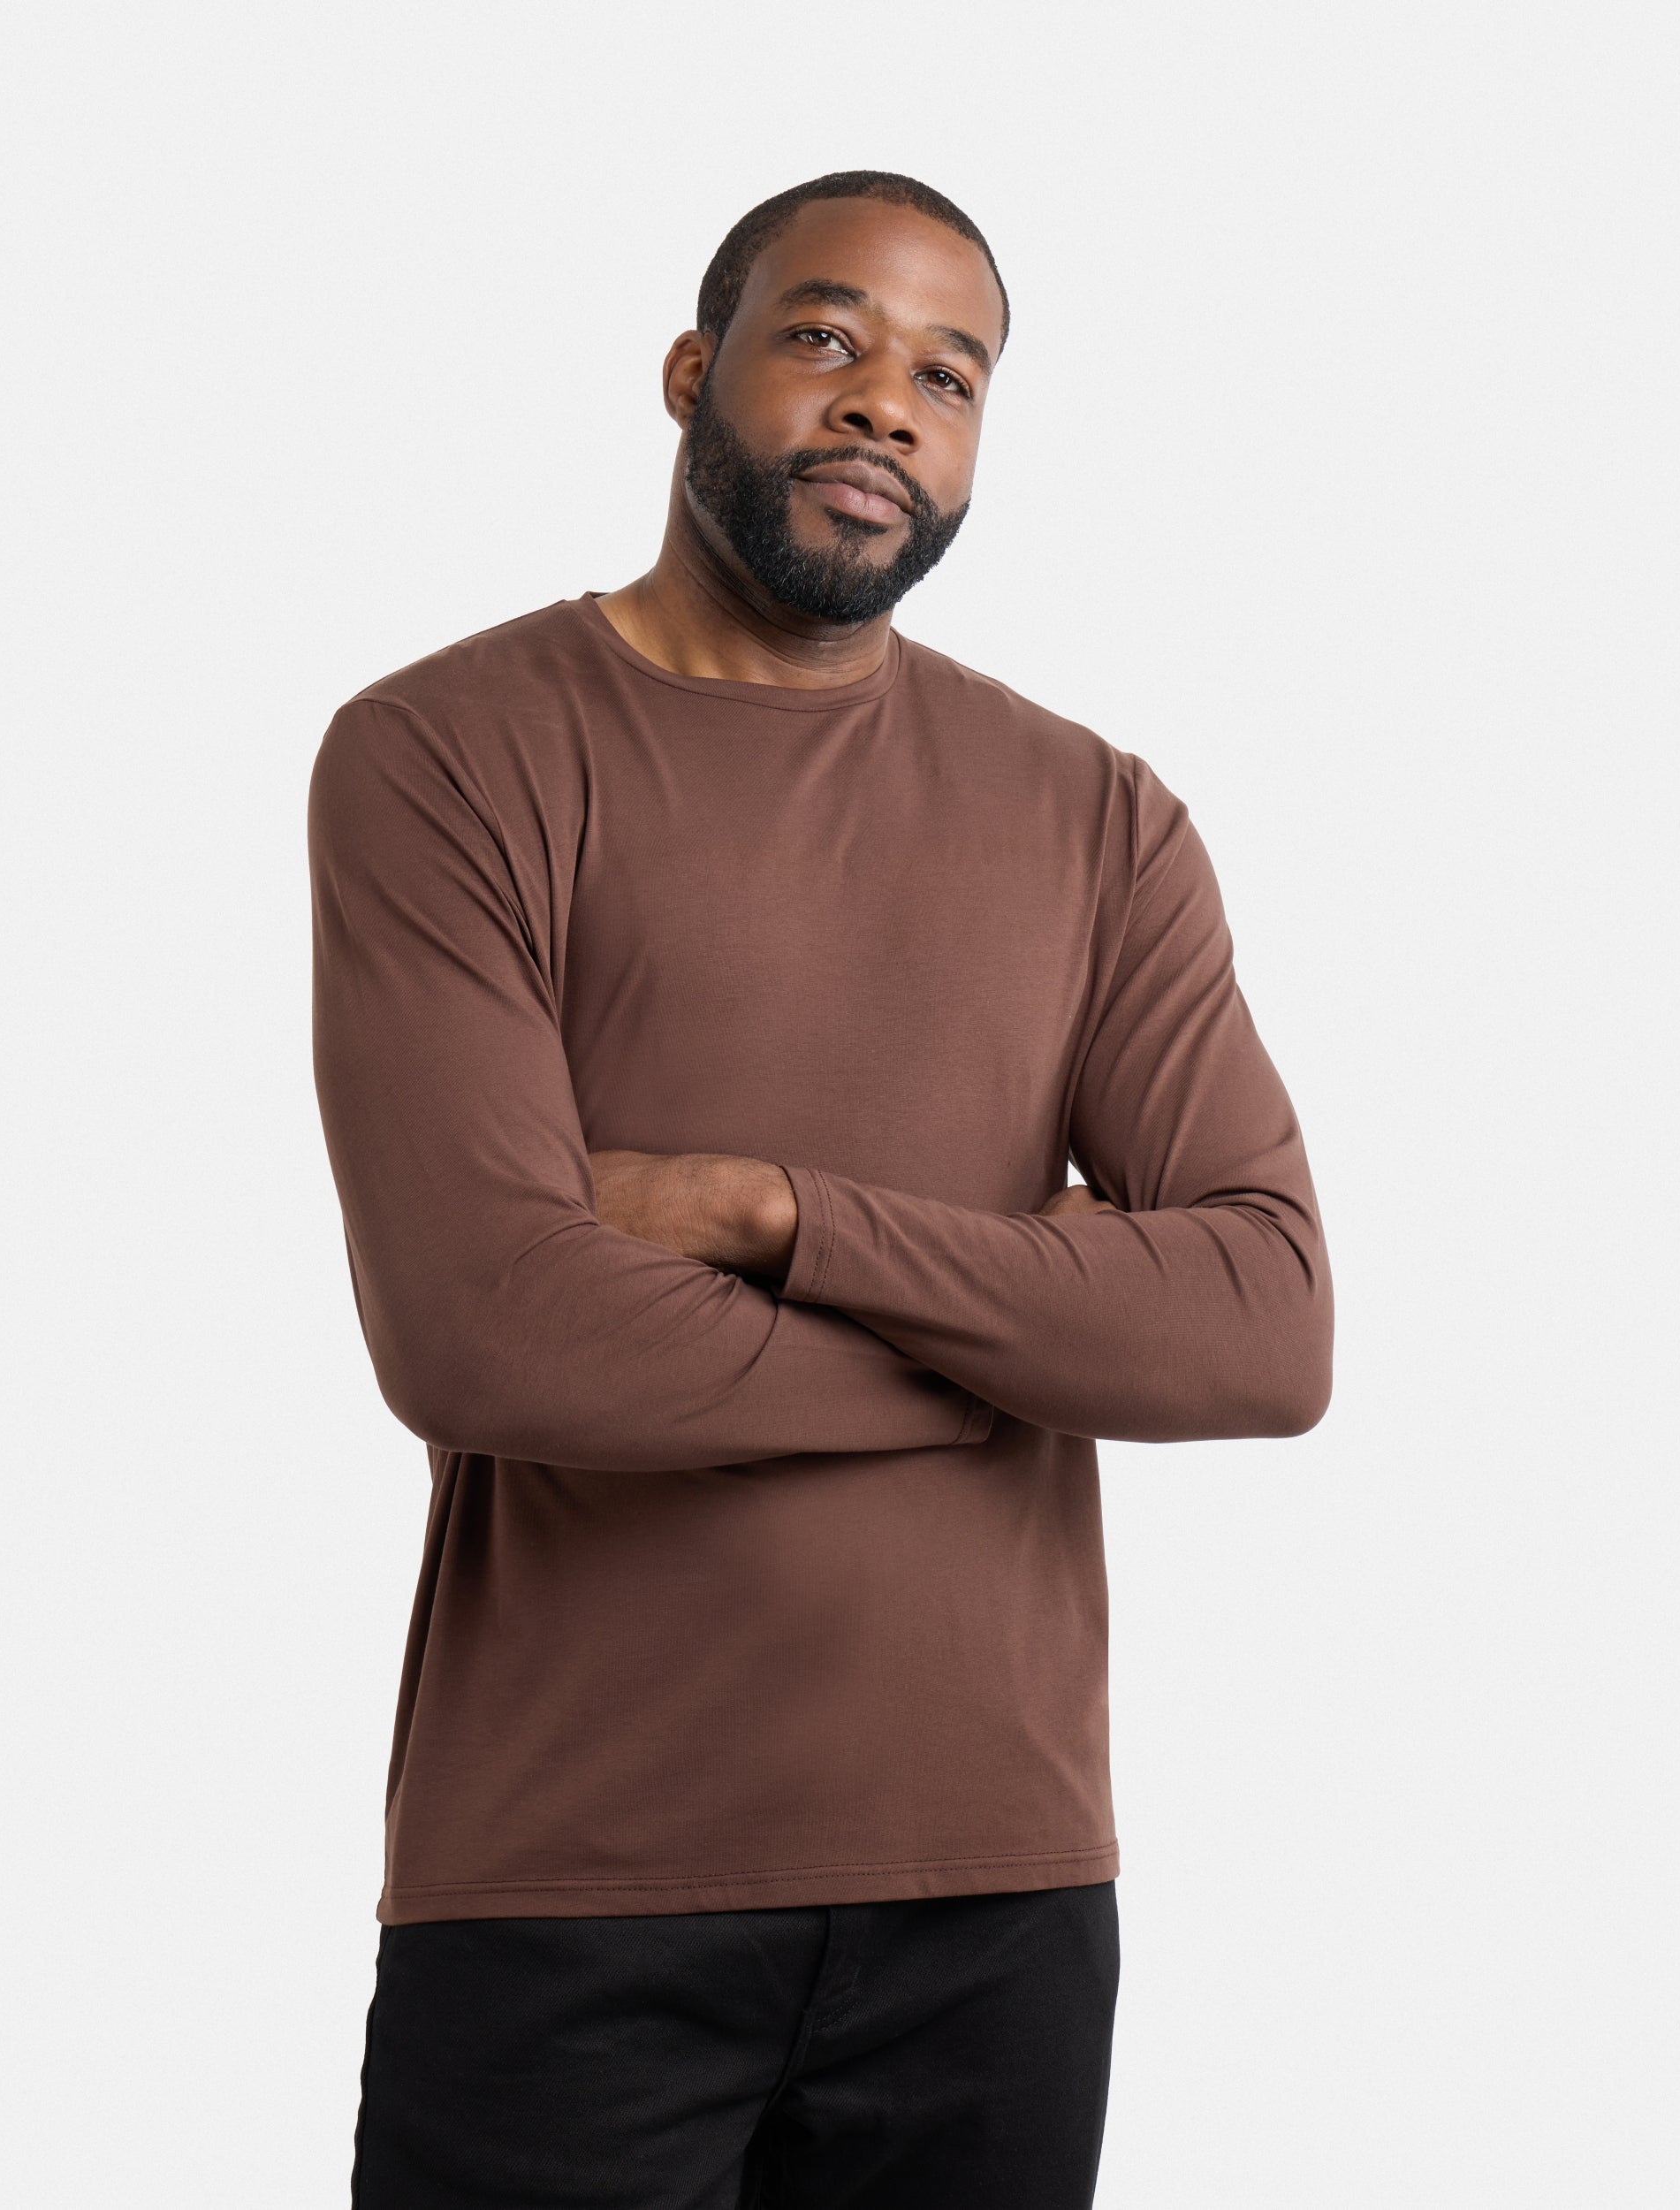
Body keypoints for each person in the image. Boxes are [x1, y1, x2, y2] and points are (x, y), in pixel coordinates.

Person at [308, 168, 1333, 2210]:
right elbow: (485, 1330)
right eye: (826, 338)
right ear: (692, 370)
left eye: (950, 376)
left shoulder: (1098, 818)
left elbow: (1264, 1323)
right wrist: (1015, 1343)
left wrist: (775, 1215)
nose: (887, 402)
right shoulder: (446, 752)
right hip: (569, 1885)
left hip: (1001, 1892)